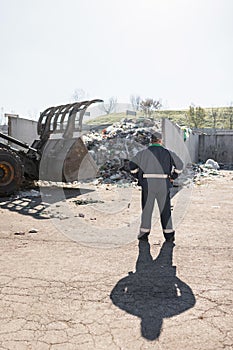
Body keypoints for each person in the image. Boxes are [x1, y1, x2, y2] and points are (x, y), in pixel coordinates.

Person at [129, 131, 183, 242]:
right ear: (160, 140)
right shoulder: (168, 153)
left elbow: (132, 166)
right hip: (163, 185)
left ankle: (144, 234)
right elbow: (180, 165)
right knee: (165, 210)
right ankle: (169, 236)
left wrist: (138, 177)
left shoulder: (143, 153)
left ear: (151, 140)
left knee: (147, 209)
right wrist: (173, 176)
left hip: (148, 185)